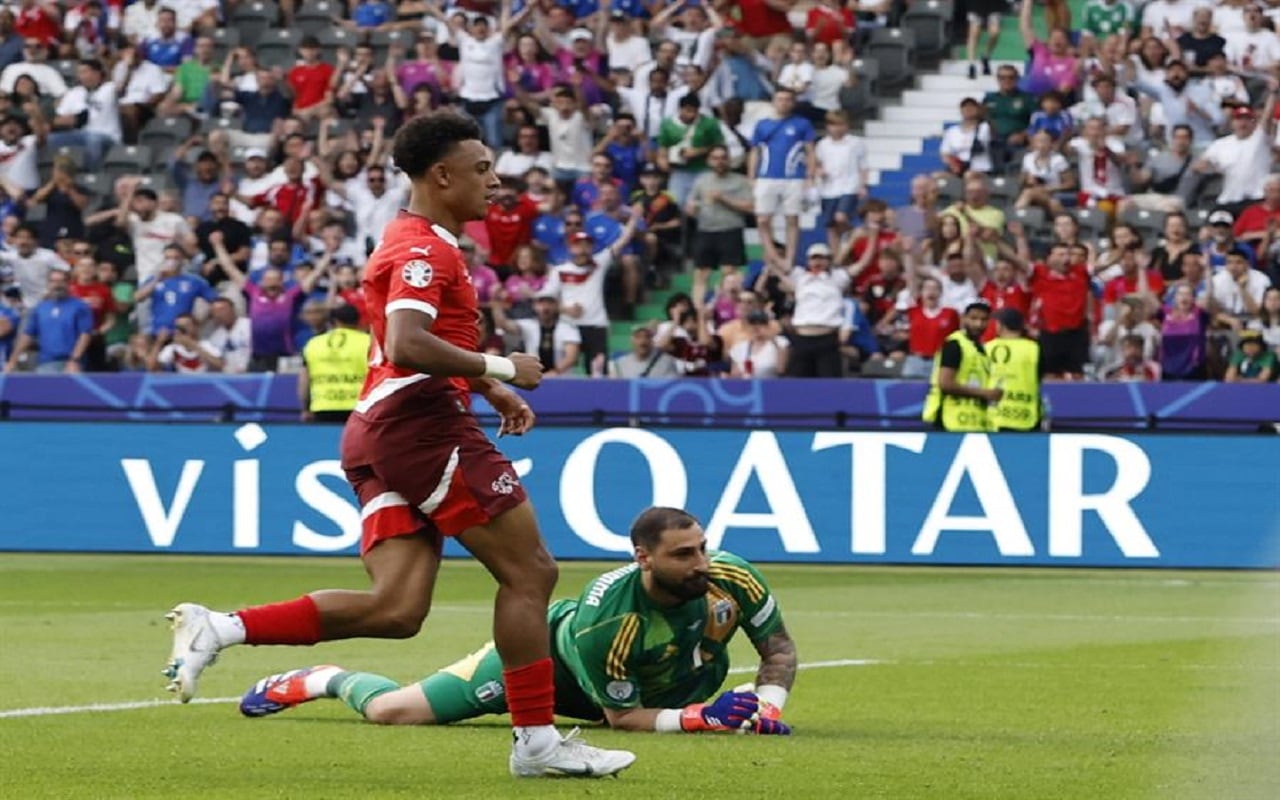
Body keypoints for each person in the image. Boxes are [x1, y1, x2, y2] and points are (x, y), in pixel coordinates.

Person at [161, 112, 636, 779]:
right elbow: (409, 341)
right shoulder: (423, 251)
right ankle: (538, 744)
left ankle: (222, 627)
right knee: (530, 574)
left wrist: (488, 391)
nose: (494, 182)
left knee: (397, 610)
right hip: (420, 428)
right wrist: (501, 369)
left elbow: (399, 347)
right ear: (442, 175)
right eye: (481, 169)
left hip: (384, 426)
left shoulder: (415, 239)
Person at [239, 507, 795, 737]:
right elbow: (619, 716)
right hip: (543, 661)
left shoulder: (733, 577)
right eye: (683, 555)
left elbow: (778, 651)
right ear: (642, 559)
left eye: (701, 548)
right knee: (394, 712)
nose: (701, 564)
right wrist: (698, 717)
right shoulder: (609, 623)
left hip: (661, 681)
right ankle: (322, 678)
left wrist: (765, 710)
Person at [922, 300, 1001, 432]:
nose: (978, 324)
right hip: (949, 418)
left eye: (984, 319)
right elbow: (945, 383)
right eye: (973, 318)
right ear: (964, 319)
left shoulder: (981, 350)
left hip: (972, 421)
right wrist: (985, 393)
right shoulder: (955, 345)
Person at [3, 268, 93, 374]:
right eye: (53, 281)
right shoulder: (40, 307)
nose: (57, 285)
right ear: (48, 284)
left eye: (61, 281)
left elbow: (85, 335)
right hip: (46, 362)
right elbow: (27, 335)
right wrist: (12, 361)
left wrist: (74, 360)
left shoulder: (80, 306)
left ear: (68, 283)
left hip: (71, 363)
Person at [299, 304, 371, 423]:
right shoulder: (369, 342)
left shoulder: (314, 344)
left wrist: (305, 408)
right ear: (358, 320)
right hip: (360, 406)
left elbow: (304, 380)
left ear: (334, 321)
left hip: (323, 405)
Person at [985, 308, 1042, 432]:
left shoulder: (987, 348)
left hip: (995, 416)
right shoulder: (1034, 348)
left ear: (1000, 326)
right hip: (1026, 415)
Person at [611, 324, 680, 378]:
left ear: (652, 341)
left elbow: (671, 387)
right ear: (632, 341)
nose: (642, 341)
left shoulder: (667, 362)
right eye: (638, 337)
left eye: (647, 337)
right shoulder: (621, 363)